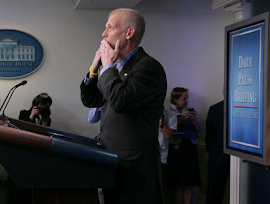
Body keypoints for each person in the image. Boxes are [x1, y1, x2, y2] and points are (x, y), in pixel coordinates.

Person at [80, 8, 167, 204]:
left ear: (129, 33)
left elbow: (120, 101)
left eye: (110, 27)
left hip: (136, 169)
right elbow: (90, 100)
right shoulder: (116, 68)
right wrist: (94, 70)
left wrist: (108, 67)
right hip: (113, 162)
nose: (103, 34)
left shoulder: (148, 67)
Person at [166, 87, 202, 204]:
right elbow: (167, 132)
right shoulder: (168, 112)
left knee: (189, 183)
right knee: (178, 184)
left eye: (187, 98)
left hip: (190, 149)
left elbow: (199, 129)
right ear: (175, 99)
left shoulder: (191, 111)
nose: (187, 101)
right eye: (184, 98)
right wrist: (181, 119)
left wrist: (193, 120)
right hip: (176, 150)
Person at [205, 100, 230, 204]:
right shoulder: (214, 109)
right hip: (217, 157)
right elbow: (209, 134)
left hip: (239, 159)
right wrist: (212, 152)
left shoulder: (244, 107)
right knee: (214, 193)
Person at [159, 109, 177, 201]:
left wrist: (161, 121)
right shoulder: (145, 112)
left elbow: (168, 135)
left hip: (161, 159)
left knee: (161, 191)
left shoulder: (170, 114)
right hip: (147, 157)